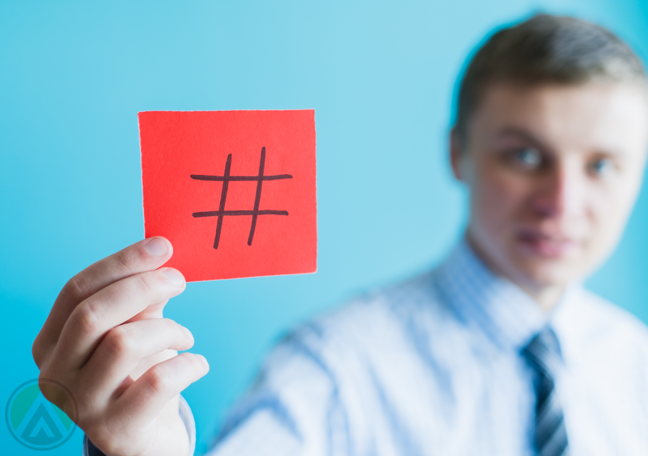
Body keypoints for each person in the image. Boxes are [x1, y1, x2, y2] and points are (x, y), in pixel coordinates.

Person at [32, 13, 648, 456]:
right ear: (458, 152)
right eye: (525, 156)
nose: (562, 203)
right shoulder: (330, 370)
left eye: (602, 165)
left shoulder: (636, 364)